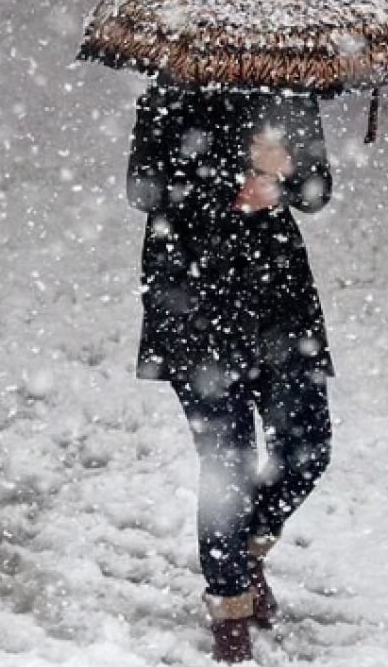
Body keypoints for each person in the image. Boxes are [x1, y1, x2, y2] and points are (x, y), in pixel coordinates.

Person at [126, 77, 335, 663]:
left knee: (308, 446)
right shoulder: (169, 94)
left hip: (279, 303)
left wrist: (285, 174)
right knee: (228, 464)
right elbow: (144, 190)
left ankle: (242, 550)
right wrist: (231, 179)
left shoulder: (290, 93)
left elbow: (317, 192)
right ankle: (229, 609)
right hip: (193, 301)